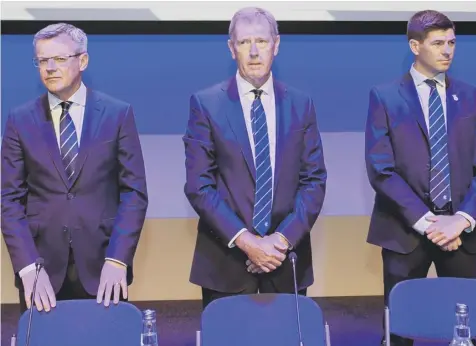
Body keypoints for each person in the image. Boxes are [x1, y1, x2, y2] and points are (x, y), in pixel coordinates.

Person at [365, 10, 476, 346]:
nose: (447, 50)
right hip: (404, 233)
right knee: (399, 332)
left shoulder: (471, 96)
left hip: (462, 234)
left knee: (470, 328)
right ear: (415, 45)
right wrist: (431, 224)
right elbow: (382, 169)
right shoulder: (385, 96)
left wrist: (460, 220)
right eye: (438, 43)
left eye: (452, 42)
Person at [183, 7, 327, 309]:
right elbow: (199, 186)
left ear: (276, 44)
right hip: (225, 263)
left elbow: (314, 181)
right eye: (244, 42)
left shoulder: (301, 104)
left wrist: (279, 242)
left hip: (285, 261)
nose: (253, 52)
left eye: (260, 41)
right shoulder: (206, 104)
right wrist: (249, 243)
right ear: (231, 48)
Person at [1, 23, 148, 313]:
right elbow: (9, 200)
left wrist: (118, 259)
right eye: (42, 60)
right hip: (41, 273)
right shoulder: (20, 120)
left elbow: (134, 193)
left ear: (82, 60)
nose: (50, 68)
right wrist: (27, 267)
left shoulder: (117, 114)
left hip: (104, 267)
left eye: (59, 59)